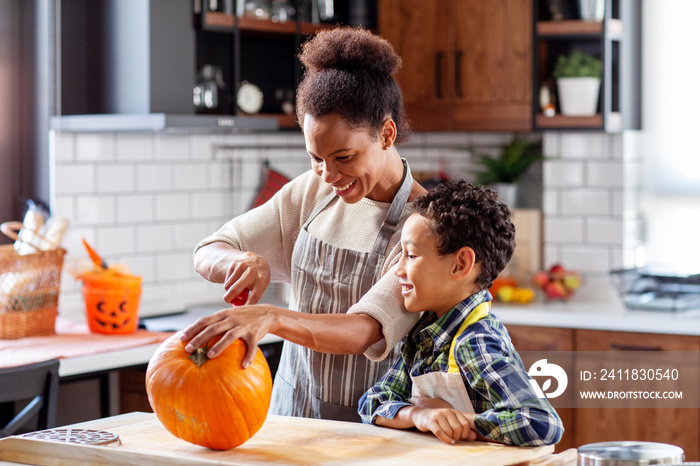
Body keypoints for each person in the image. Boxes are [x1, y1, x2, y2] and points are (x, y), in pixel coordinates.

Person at [180, 26, 427, 422]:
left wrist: (272, 317)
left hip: (372, 432)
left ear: (386, 133)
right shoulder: (311, 193)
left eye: (343, 157)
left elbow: (366, 330)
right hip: (290, 417)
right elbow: (209, 249)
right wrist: (240, 262)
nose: (327, 174)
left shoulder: (425, 224)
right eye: (316, 157)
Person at [358, 180, 564, 446]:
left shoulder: (474, 340)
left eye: (410, 255)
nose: (398, 270)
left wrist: (457, 420)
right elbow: (372, 402)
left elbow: (541, 422)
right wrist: (418, 415)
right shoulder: (424, 334)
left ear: (461, 264)